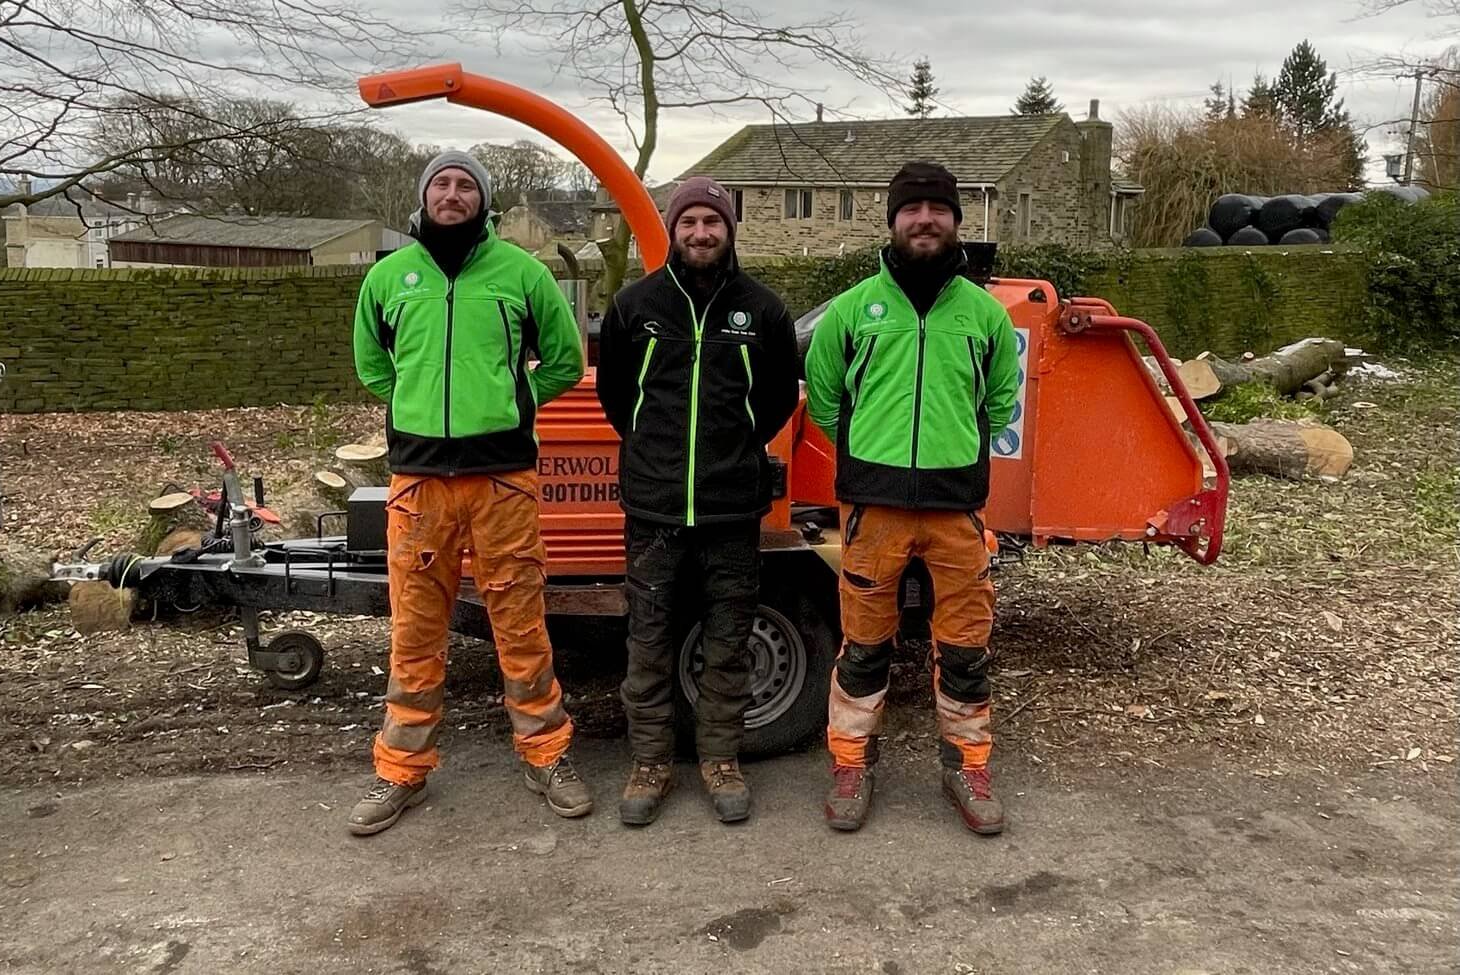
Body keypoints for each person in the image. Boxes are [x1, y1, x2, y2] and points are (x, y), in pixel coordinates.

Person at [347, 150, 589, 835]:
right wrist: (417, 404)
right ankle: (402, 769)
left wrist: (513, 401)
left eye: (465, 185)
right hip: (419, 482)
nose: (452, 194)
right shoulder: (389, 278)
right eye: (441, 184)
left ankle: (547, 754)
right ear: (425, 196)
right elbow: (372, 365)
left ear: (483, 200)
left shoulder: (523, 274)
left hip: (502, 480)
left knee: (520, 623)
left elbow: (565, 361)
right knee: (416, 630)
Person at [803, 161, 1021, 835]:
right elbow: (825, 397)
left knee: (965, 648)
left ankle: (968, 765)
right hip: (874, 509)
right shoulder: (852, 310)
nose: (925, 219)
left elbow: (1001, 401)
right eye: (911, 209)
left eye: (938, 208)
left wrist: (955, 452)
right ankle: (851, 764)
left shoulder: (985, 315)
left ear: (956, 220)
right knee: (864, 646)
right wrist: (869, 453)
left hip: (958, 510)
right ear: (893, 220)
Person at [596, 177, 799, 826]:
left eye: (713, 222)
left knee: (728, 641)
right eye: (690, 222)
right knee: (648, 641)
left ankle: (720, 760)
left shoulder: (763, 311)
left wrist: (735, 446)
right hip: (653, 509)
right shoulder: (635, 306)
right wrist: (653, 449)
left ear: (729, 230)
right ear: (673, 230)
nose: (701, 233)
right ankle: (651, 763)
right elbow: (616, 397)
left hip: (731, 510)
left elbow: (775, 399)